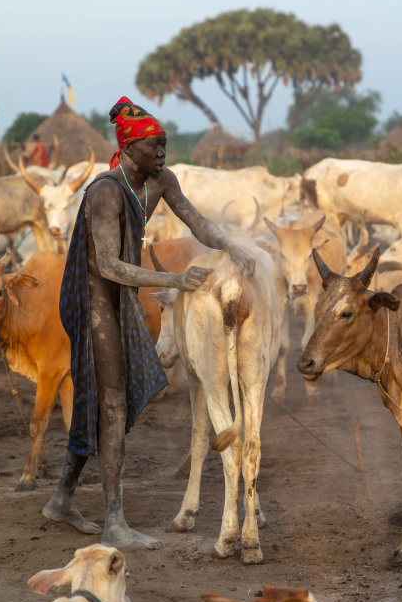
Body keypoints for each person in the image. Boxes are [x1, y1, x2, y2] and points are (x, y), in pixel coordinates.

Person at [43, 96, 255, 549]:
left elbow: (197, 222)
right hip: (91, 294)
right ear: (129, 148)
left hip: (119, 292)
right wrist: (175, 280)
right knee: (112, 400)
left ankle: (61, 497)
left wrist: (233, 247)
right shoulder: (104, 192)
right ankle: (114, 522)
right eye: (154, 145)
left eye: (164, 143)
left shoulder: (161, 181)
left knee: (100, 396)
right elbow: (106, 264)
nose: (162, 151)